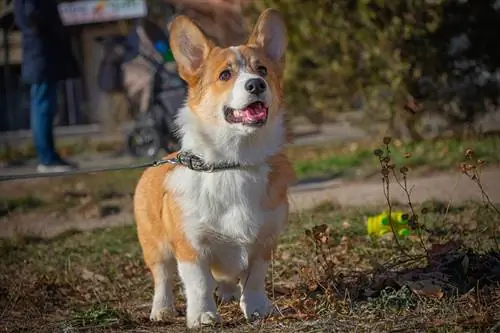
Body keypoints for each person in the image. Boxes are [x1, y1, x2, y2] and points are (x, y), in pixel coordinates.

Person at [14, 0, 80, 172]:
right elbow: (33, 13)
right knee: (43, 106)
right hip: (41, 53)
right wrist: (55, 29)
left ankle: (49, 156)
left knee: (46, 106)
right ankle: (47, 158)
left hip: (40, 52)